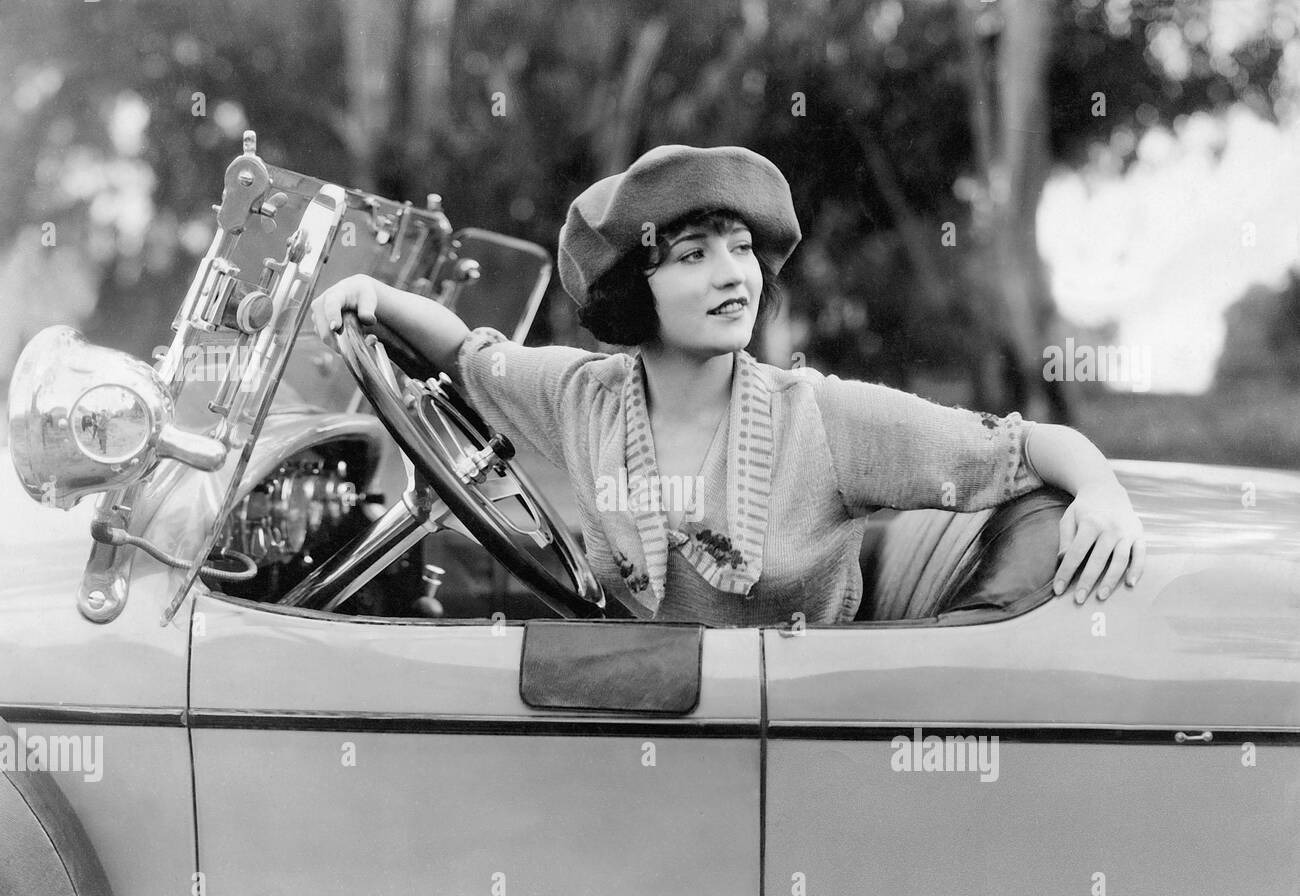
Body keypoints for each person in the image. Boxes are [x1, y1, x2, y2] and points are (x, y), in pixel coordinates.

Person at [311, 144, 1145, 626]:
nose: (732, 276)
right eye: (693, 255)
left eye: (741, 248)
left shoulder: (822, 418)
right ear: (640, 288)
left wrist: (1100, 487)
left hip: (798, 749)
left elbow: (1016, 448)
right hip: (650, 729)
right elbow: (466, 356)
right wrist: (374, 298)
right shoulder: (584, 397)